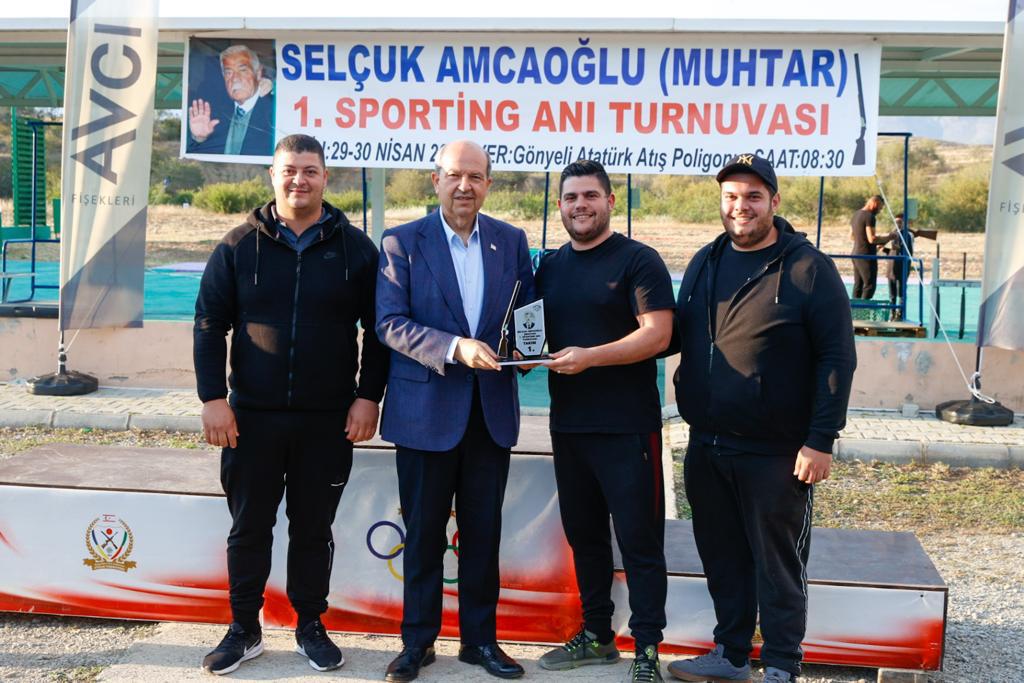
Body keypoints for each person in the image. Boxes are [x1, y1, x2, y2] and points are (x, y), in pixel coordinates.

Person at [194, 134, 388, 675]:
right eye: (289, 170)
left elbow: (379, 331)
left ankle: (310, 626)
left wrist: (368, 396)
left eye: (309, 170)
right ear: (272, 176)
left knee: (313, 529)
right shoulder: (237, 246)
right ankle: (243, 628)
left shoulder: (356, 250)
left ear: (325, 177)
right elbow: (209, 324)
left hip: (327, 420)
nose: (298, 179)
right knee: (249, 528)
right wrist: (213, 398)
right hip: (250, 419)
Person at [668, 153, 856, 683]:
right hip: (707, 444)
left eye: (753, 196)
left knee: (778, 565)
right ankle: (730, 655)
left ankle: (780, 664)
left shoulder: (808, 269)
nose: (741, 206)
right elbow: (679, 333)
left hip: (777, 451)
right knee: (722, 559)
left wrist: (821, 439)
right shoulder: (705, 261)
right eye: (731, 196)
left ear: (774, 201)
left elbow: (838, 358)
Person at [375, 140, 535, 682]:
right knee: (423, 534)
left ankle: (480, 642)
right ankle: (417, 643)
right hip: (425, 414)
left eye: (475, 176)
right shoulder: (401, 242)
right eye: (454, 175)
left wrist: (528, 352)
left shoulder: (511, 241)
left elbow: (526, 315)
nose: (464, 185)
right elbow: (389, 323)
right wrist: (454, 347)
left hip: (490, 414)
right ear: (436, 180)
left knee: (482, 535)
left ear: (488, 183)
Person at [532, 160, 675, 683]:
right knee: (585, 537)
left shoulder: (639, 260)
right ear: (560, 206)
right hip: (570, 426)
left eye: (590, 196)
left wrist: (590, 358)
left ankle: (647, 647)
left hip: (627, 428)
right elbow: (531, 336)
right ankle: (597, 635)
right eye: (571, 198)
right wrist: (519, 356)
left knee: (639, 542)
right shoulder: (550, 267)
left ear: (610, 201)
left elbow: (657, 335)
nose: (581, 206)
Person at [188, 44, 274, 156]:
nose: (235, 79)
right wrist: (200, 138)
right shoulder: (213, 114)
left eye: (243, 70)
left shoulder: (274, 110)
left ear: (258, 74)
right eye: (229, 73)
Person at [849, 194, 889, 300]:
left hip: (855, 254)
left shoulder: (856, 214)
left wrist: (862, 240)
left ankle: (854, 308)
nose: (879, 211)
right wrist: (889, 237)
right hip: (866, 255)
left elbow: (852, 236)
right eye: (880, 208)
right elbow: (872, 239)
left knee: (858, 284)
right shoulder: (869, 216)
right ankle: (864, 308)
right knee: (869, 285)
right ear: (875, 203)